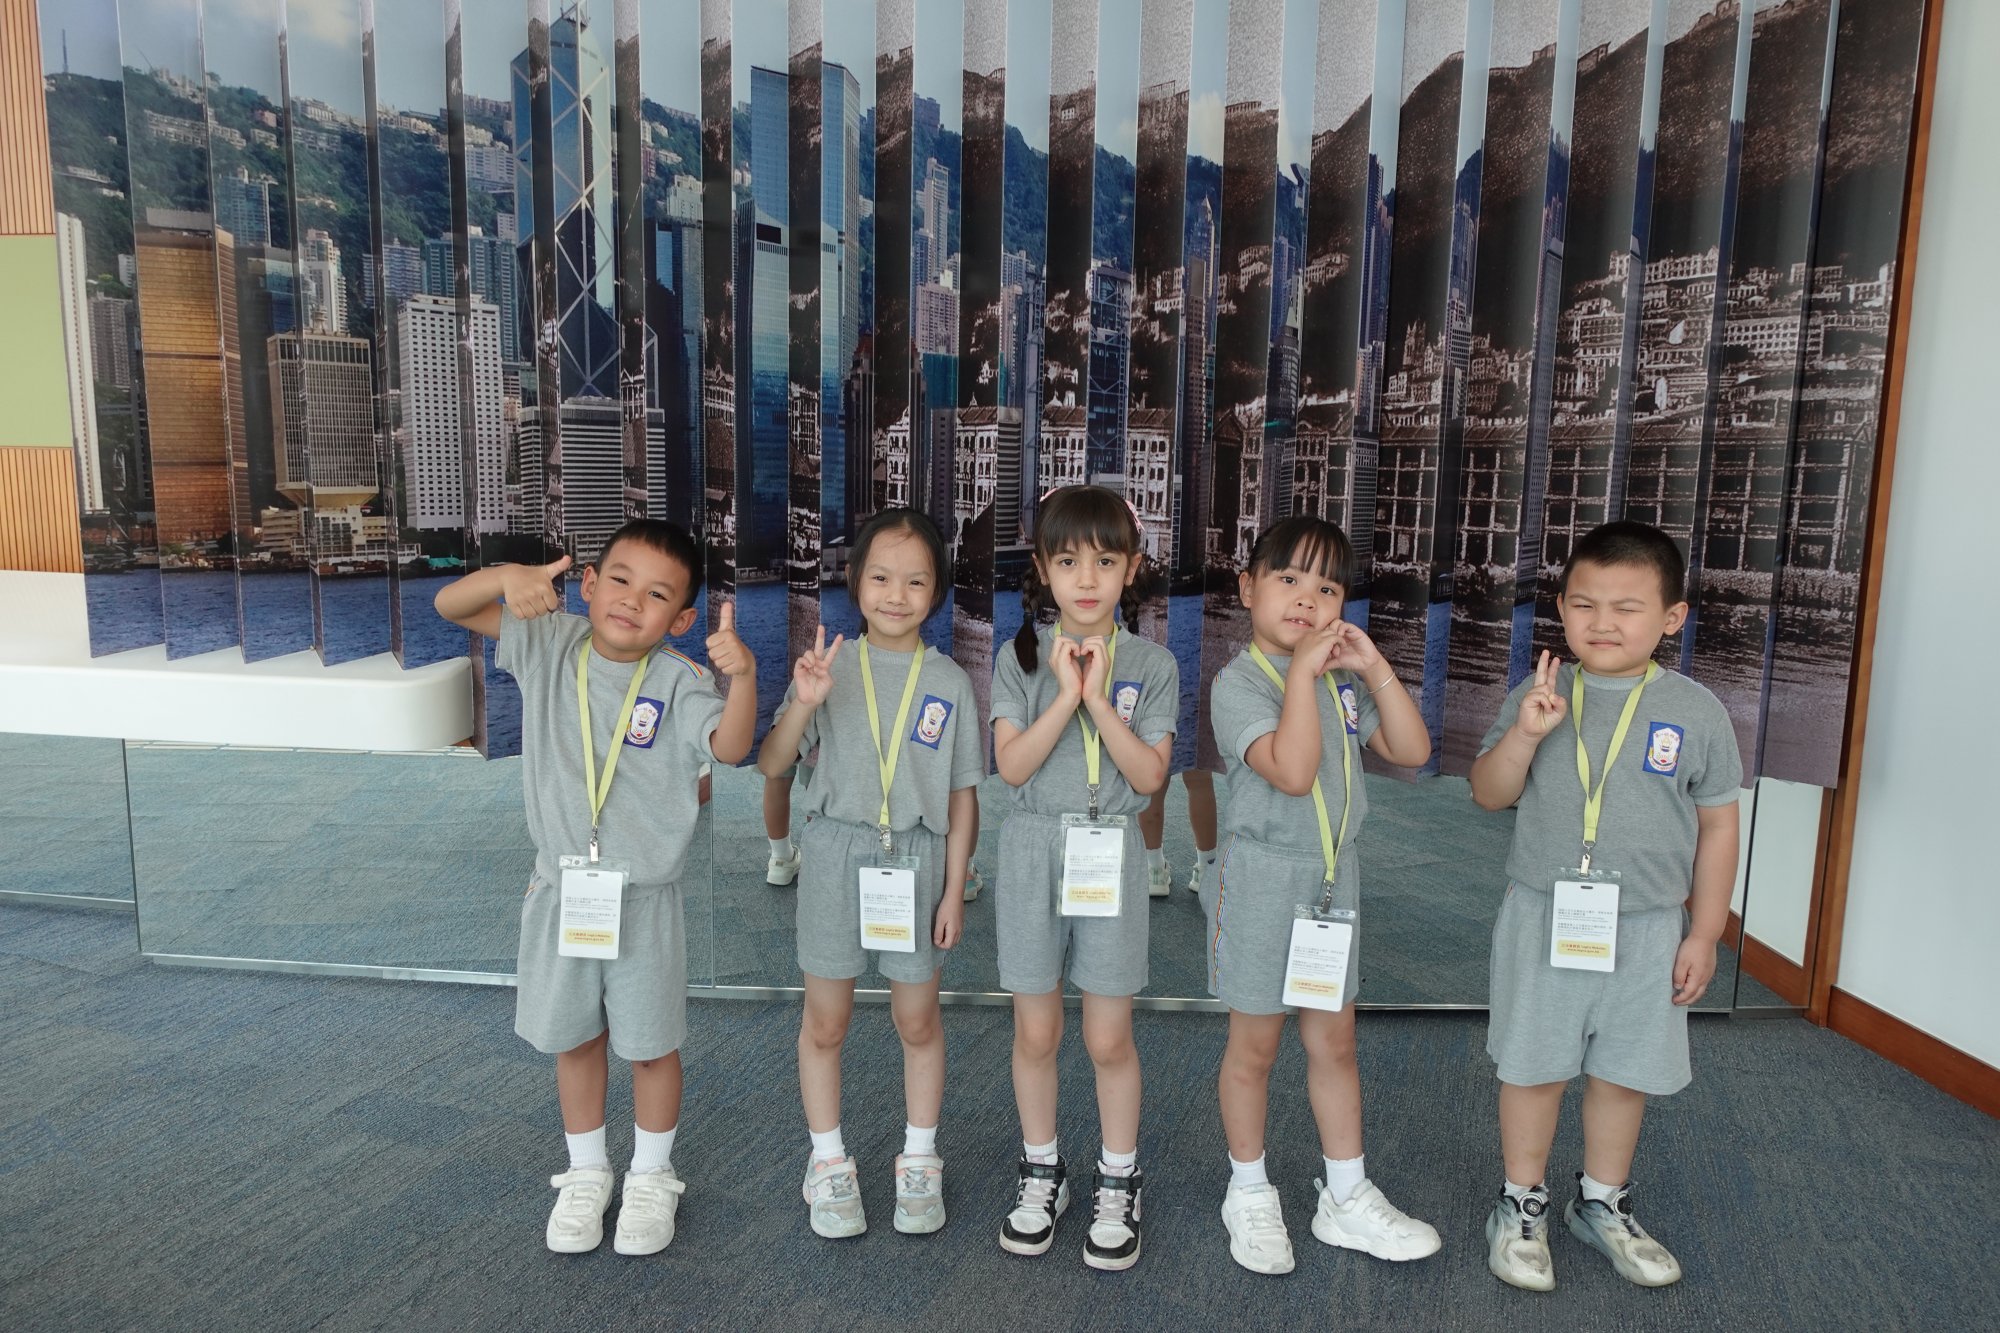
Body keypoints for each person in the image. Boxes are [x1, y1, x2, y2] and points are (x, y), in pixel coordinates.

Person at [433, 521, 755, 1257]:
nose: (632, 601)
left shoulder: (680, 681)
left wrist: (744, 677)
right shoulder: (550, 643)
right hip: (564, 891)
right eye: (620, 579)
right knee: (575, 1037)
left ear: (681, 620)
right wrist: (507, 577)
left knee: (651, 1044)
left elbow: (732, 747)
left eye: (658, 595)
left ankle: (651, 1174)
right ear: (586, 583)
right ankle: (586, 1172)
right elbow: (452, 605)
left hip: (644, 901)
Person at [1469, 520, 1742, 1291]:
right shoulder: (1539, 692)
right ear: (1561, 607)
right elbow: (1488, 793)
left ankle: (1602, 1201)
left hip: (1650, 926)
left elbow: (1719, 827)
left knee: (1624, 1071)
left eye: (1627, 607)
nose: (1603, 622)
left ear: (1672, 617)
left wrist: (1705, 931)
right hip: (1544, 913)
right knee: (1534, 1065)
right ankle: (1521, 1201)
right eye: (1584, 604)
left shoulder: (1696, 710)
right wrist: (1526, 735)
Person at [1200, 515, 1441, 1275]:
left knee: (1334, 1042)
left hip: (1332, 885)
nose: (1308, 599)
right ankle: (1248, 1188)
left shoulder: (1340, 681)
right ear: (1249, 588)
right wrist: (1304, 674)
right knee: (1255, 1046)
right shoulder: (1238, 683)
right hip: (1262, 880)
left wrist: (1373, 669)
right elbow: (1294, 770)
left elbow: (1411, 749)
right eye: (1289, 579)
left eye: (1328, 587)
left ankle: (1345, 1193)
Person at [756, 509, 982, 1239]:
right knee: (826, 1021)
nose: (896, 594)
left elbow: (963, 797)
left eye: (916, 581)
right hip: (835, 854)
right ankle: (827, 1160)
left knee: (917, 1020)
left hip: (915, 860)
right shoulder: (829, 666)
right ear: (854, 581)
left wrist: (954, 888)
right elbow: (773, 763)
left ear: (937, 590)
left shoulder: (948, 680)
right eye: (881, 577)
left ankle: (920, 1157)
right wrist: (804, 705)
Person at [989, 485, 1178, 1270]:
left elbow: (1148, 778)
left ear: (1131, 568)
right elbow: (1011, 767)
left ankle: (1118, 1176)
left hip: (1111, 848)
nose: (1087, 578)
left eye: (1105, 560)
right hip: (1032, 848)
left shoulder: (1153, 663)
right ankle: (1043, 1168)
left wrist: (1098, 701)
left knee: (1108, 1035)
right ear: (1042, 568)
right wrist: (1065, 692)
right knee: (1036, 1030)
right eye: (1068, 561)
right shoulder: (1019, 657)